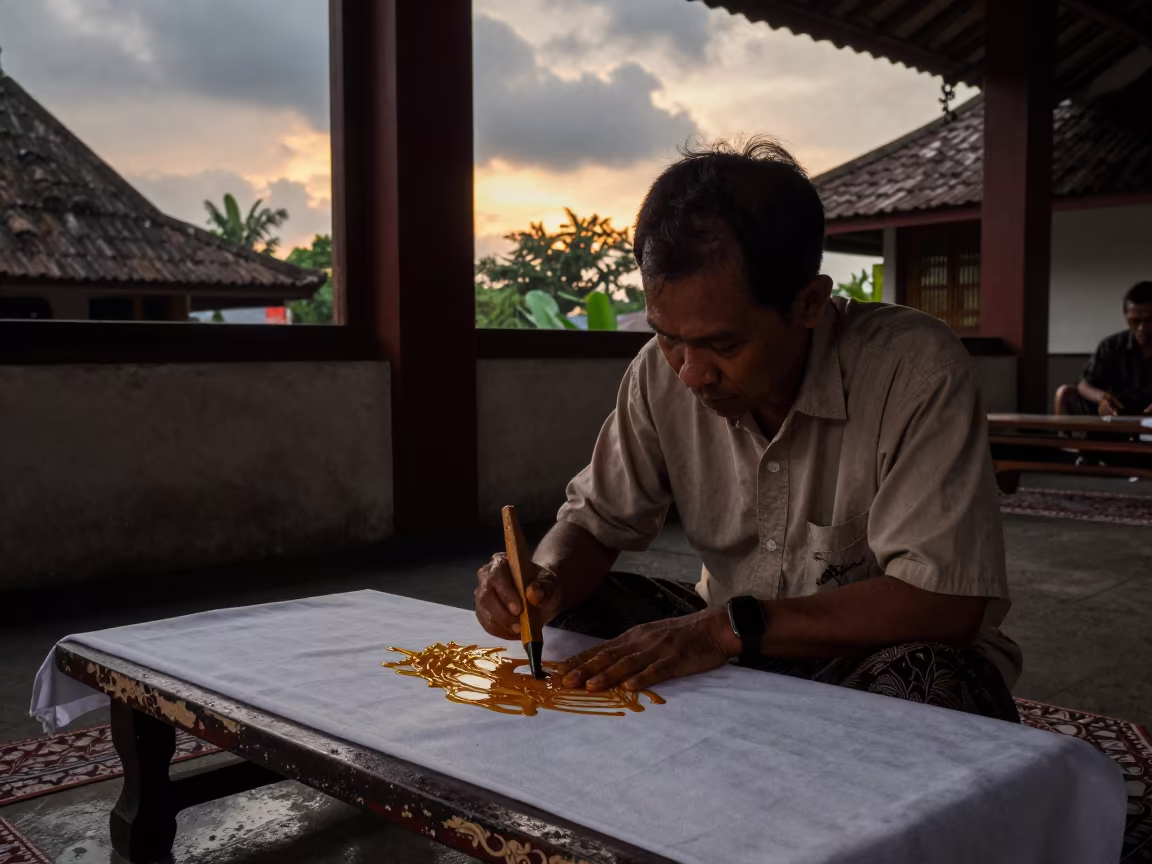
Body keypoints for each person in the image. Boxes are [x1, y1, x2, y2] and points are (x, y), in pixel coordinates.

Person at [475, 138, 1020, 723]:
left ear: (809, 303)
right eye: (668, 335)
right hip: (728, 632)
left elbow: (946, 603)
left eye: (723, 344)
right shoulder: (659, 374)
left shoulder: (913, 371)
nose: (690, 372)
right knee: (573, 620)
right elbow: (593, 522)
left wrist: (721, 631)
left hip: (862, 654)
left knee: (934, 685)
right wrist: (543, 580)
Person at [1055, 281, 1152, 417]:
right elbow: (1085, 385)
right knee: (1065, 393)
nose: (1142, 328)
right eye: (1134, 321)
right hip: (1116, 419)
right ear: (1125, 316)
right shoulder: (1112, 346)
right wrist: (1101, 398)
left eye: (1149, 320)